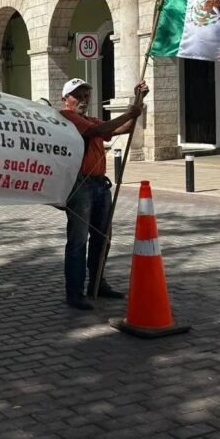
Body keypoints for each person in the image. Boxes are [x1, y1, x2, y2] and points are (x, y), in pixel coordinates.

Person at [60, 77, 149, 310]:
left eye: (86, 95)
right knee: (79, 240)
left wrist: (138, 102)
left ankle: (97, 283)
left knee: (103, 237)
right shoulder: (67, 117)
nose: (83, 99)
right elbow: (98, 131)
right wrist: (130, 113)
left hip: (100, 185)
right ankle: (75, 292)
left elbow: (122, 128)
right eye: (77, 96)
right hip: (80, 186)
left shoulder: (89, 119)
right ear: (65, 99)